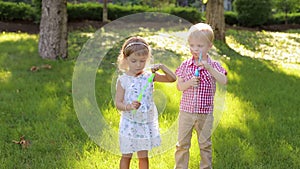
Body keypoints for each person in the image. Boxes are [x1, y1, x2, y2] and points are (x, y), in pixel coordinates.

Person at [115, 36, 177, 169]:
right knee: (126, 155)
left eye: (142, 61)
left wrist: (162, 67)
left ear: (147, 59)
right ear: (125, 59)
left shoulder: (149, 77)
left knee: (143, 157)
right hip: (129, 124)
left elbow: (172, 79)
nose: (138, 65)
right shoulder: (123, 80)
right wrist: (128, 106)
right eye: (134, 61)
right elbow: (118, 103)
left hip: (144, 124)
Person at [174, 23, 228, 169]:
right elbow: (179, 86)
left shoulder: (214, 65)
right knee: (182, 145)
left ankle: (205, 167)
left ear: (209, 46)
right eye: (192, 45)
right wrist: (190, 82)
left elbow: (224, 80)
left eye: (200, 46)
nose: (195, 49)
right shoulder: (186, 65)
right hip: (186, 112)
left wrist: (209, 68)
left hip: (205, 113)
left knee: (205, 145)